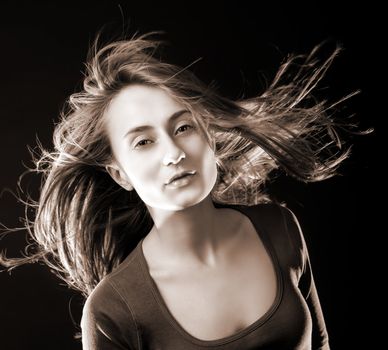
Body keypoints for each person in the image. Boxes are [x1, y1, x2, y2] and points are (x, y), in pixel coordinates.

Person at [1, 31, 353, 349]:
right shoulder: (113, 311)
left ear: (209, 136)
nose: (174, 153)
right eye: (143, 142)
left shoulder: (280, 229)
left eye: (183, 127)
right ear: (119, 173)